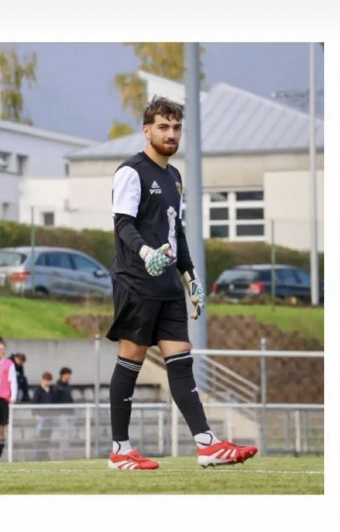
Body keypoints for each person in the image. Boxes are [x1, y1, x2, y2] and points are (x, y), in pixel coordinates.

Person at [106, 95, 258, 470]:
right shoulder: (131, 172)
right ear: (147, 130)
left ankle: (206, 444)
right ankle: (120, 449)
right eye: (163, 127)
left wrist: (190, 277)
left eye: (176, 127)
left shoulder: (174, 176)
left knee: (181, 361)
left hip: (168, 286)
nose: (171, 134)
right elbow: (123, 224)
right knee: (131, 360)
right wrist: (146, 253)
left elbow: (178, 231)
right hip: (136, 281)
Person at [0, 339, 17, 463]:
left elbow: (13, 381)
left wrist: (13, 396)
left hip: (3, 400)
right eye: (0, 349)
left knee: (1, 429)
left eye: (3, 349)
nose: (3, 351)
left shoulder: (9, 364)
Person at [32, 371, 55, 461]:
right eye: (46, 380)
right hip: (41, 417)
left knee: (47, 437)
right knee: (40, 437)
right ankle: (37, 455)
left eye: (49, 380)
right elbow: (34, 403)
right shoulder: (38, 391)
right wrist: (35, 414)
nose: (48, 382)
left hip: (49, 417)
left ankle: (44, 454)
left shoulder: (51, 390)